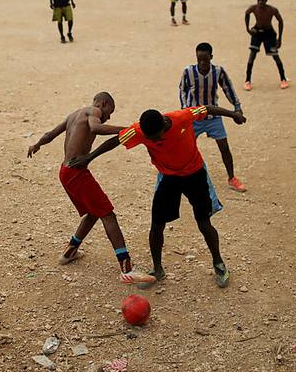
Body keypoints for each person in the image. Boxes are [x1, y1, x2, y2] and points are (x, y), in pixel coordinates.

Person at [70, 102, 246, 289]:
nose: (152, 141)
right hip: (168, 178)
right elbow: (114, 141)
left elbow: (208, 108)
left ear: (164, 124)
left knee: (204, 223)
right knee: (156, 226)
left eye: (155, 137)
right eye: (149, 138)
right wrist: (88, 158)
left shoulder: (182, 117)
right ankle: (158, 269)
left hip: (195, 175)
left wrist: (233, 114)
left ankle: (219, 263)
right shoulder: (140, 130)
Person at [27, 93, 154, 285]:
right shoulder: (93, 111)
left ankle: (70, 251)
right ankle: (127, 269)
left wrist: (37, 144)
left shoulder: (73, 115)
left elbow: (50, 135)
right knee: (108, 215)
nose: (108, 117)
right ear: (102, 104)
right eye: (109, 112)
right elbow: (96, 127)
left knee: (94, 212)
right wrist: (126, 129)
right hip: (77, 173)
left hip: (65, 171)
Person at [180, 42, 246, 192]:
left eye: (205, 59)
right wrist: (185, 110)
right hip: (194, 118)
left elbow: (228, 89)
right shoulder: (188, 72)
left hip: (213, 117)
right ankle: (183, 177)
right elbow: (182, 91)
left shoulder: (218, 72)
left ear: (211, 57)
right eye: (199, 60)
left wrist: (237, 107)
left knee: (224, 147)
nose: (202, 63)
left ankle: (232, 178)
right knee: (187, 149)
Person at [244, 0, 288, 90]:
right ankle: (247, 80)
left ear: (266, 0)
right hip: (257, 33)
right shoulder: (253, 8)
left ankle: (283, 79)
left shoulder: (272, 10)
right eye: (259, 0)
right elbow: (247, 13)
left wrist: (279, 38)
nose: (260, 2)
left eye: (262, 0)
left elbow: (280, 21)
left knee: (275, 56)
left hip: (269, 34)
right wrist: (247, 29)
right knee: (252, 56)